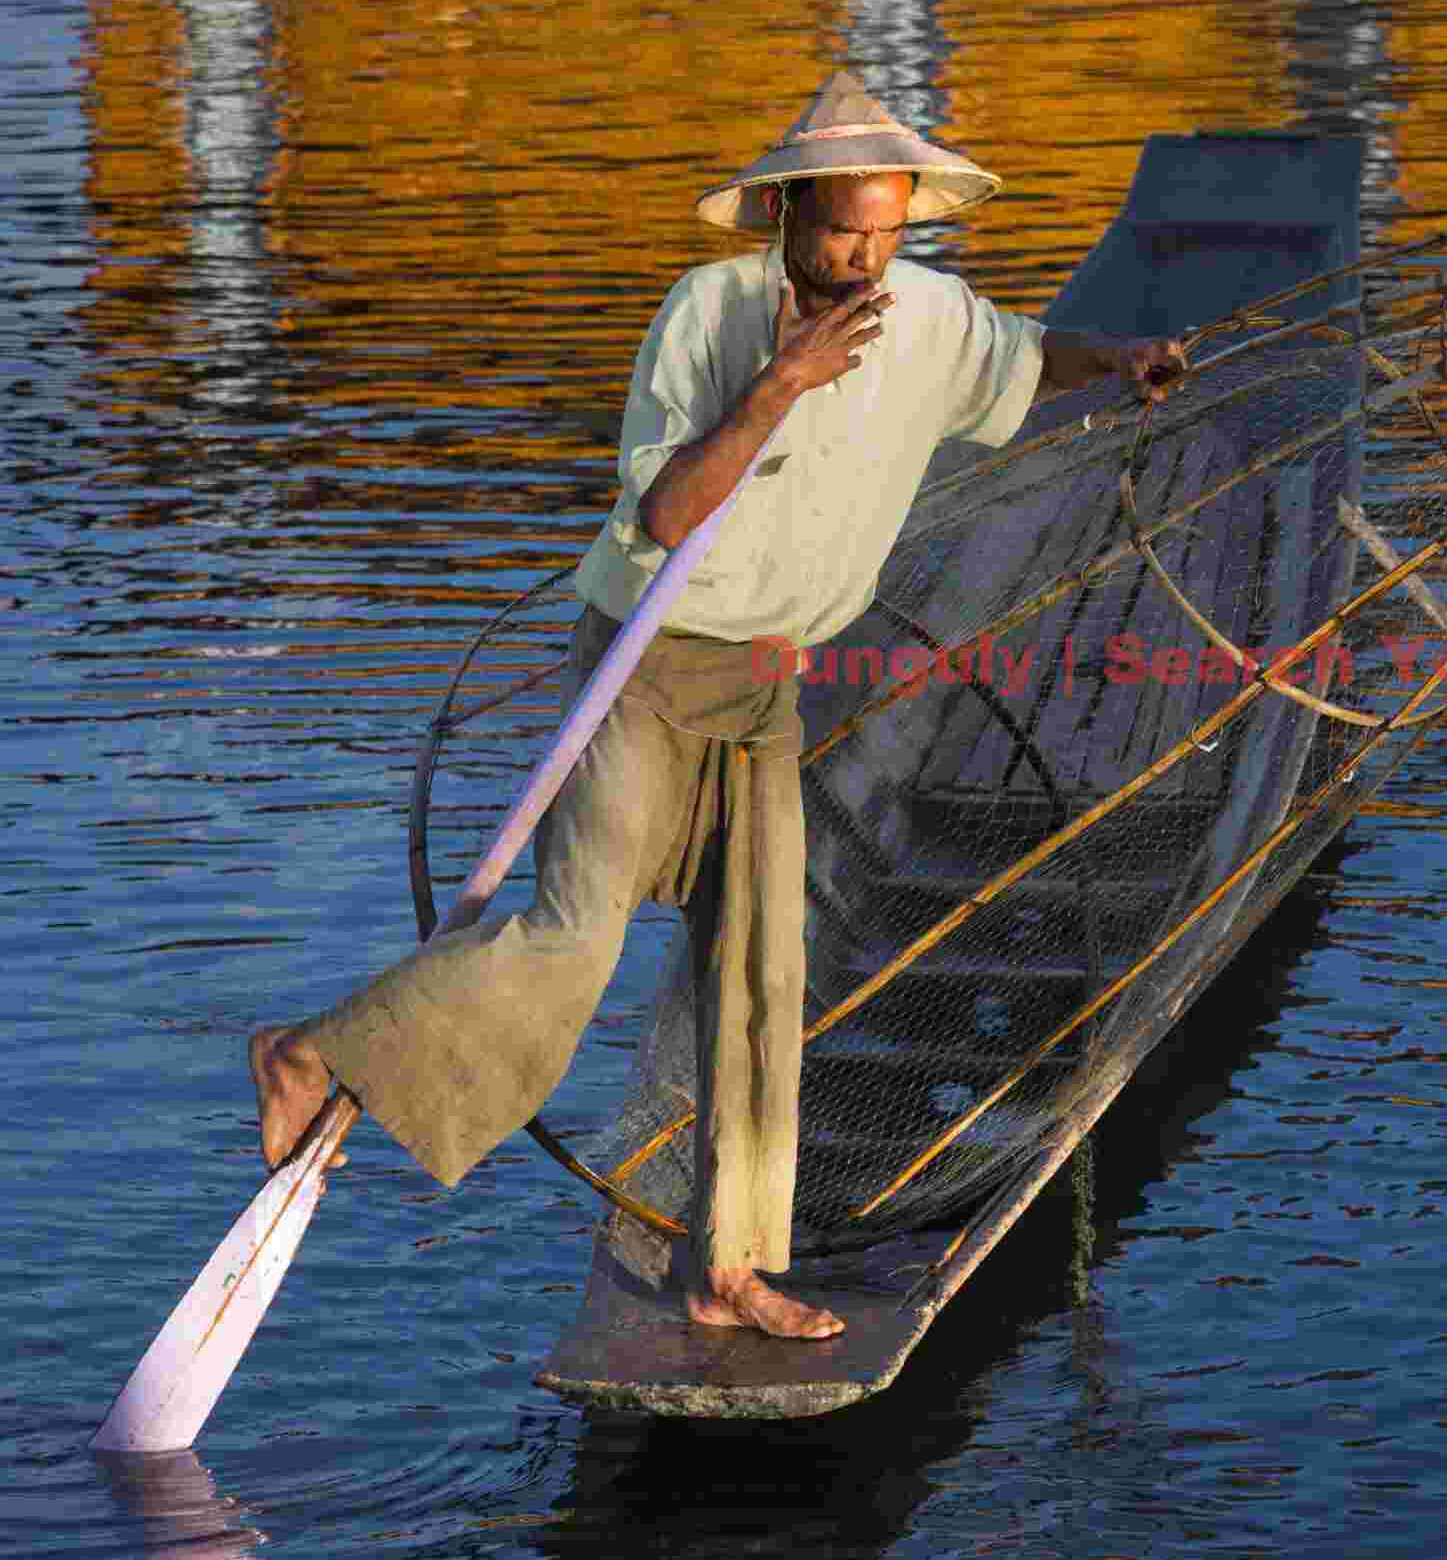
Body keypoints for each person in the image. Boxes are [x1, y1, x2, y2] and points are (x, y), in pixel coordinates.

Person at [249, 71, 1187, 1338]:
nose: (868, 258)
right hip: (645, 667)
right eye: (847, 230)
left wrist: (1118, 361)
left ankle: (725, 1266)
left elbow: (1021, 357)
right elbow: (665, 515)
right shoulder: (708, 317)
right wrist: (780, 384)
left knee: (758, 979)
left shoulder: (925, 315)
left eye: (891, 231)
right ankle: (315, 1050)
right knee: (574, 939)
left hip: (766, 682)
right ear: (790, 213)